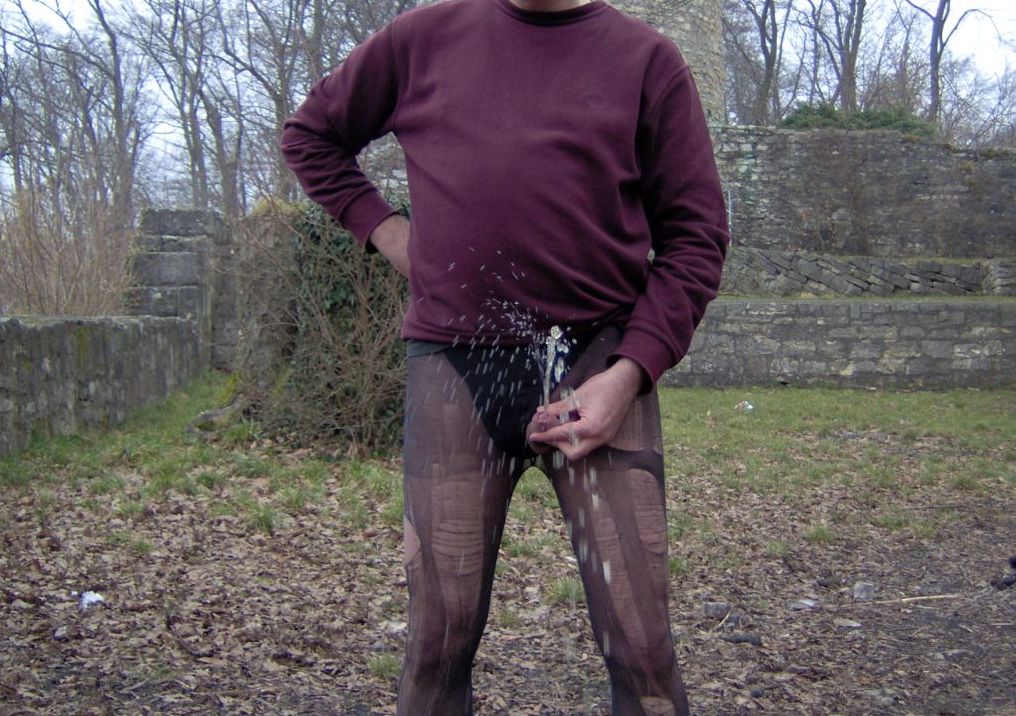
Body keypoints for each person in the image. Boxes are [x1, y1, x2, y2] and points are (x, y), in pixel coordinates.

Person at [281, 0, 729, 713]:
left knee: (642, 645)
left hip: (598, 366)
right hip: (455, 367)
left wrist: (631, 371)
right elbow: (311, 135)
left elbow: (696, 236)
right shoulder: (422, 40)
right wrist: (389, 234)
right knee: (437, 643)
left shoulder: (647, 62)